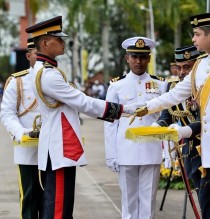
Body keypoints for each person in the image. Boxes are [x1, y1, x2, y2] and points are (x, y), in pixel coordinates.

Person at [127, 12, 210, 219]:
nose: (193, 39)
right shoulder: (200, 65)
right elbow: (176, 93)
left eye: (197, 34)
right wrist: (147, 107)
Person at [25, 16, 135, 218]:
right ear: (45, 43)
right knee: (58, 209)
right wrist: (124, 110)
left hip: (58, 146)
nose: (63, 42)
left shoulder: (44, 71)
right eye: (58, 39)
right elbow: (83, 102)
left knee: (61, 205)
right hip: (59, 148)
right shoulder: (49, 75)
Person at [104, 36, 167, 219]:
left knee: (148, 202)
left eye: (142, 57)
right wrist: (111, 154)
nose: (138, 61)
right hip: (126, 150)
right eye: (134, 57)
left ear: (149, 58)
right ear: (127, 58)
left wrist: (167, 152)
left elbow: (165, 118)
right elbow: (110, 123)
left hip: (151, 149)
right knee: (128, 202)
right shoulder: (116, 86)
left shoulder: (160, 85)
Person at [154, 45, 210, 218]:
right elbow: (167, 114)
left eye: (187, 67)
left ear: (197, 65)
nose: (182, 72)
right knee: (204, 202)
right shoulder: (173, 86)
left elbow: (208, 121)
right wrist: (159, 126)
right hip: (191, 153)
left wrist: (184, 130)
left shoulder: (209, 84)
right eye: (178, 67)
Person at [0, 38, 43, 219]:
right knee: (30, 199)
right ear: (28, 56)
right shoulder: (17, 82)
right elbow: (7, 114)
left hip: (53, 150)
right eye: (36, 54)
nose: (41, 58)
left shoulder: (58, 78)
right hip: (28, 150)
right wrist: (22, 133)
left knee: (53, 201)